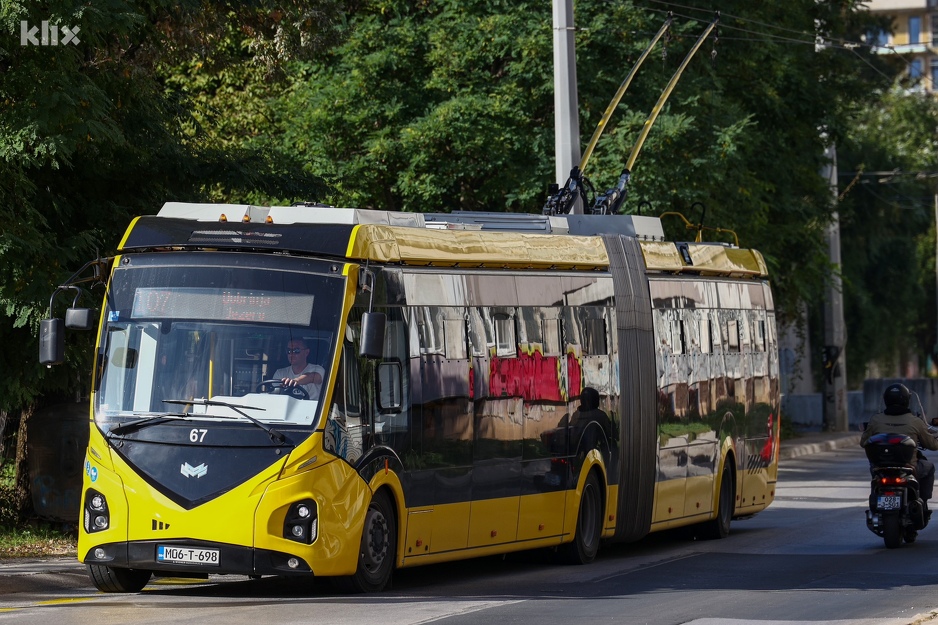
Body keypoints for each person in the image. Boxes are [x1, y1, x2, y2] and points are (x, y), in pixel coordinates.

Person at [861, 383, 938, 508]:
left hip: (880, 468)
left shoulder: (875, 420)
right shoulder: (915, 421)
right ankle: (922, 502)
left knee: (873, 472)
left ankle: (875, 500)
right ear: (907, 400)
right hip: (909, 467)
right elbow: (933, 445)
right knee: (929, 468)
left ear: (886, 400)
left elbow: (863, 442)